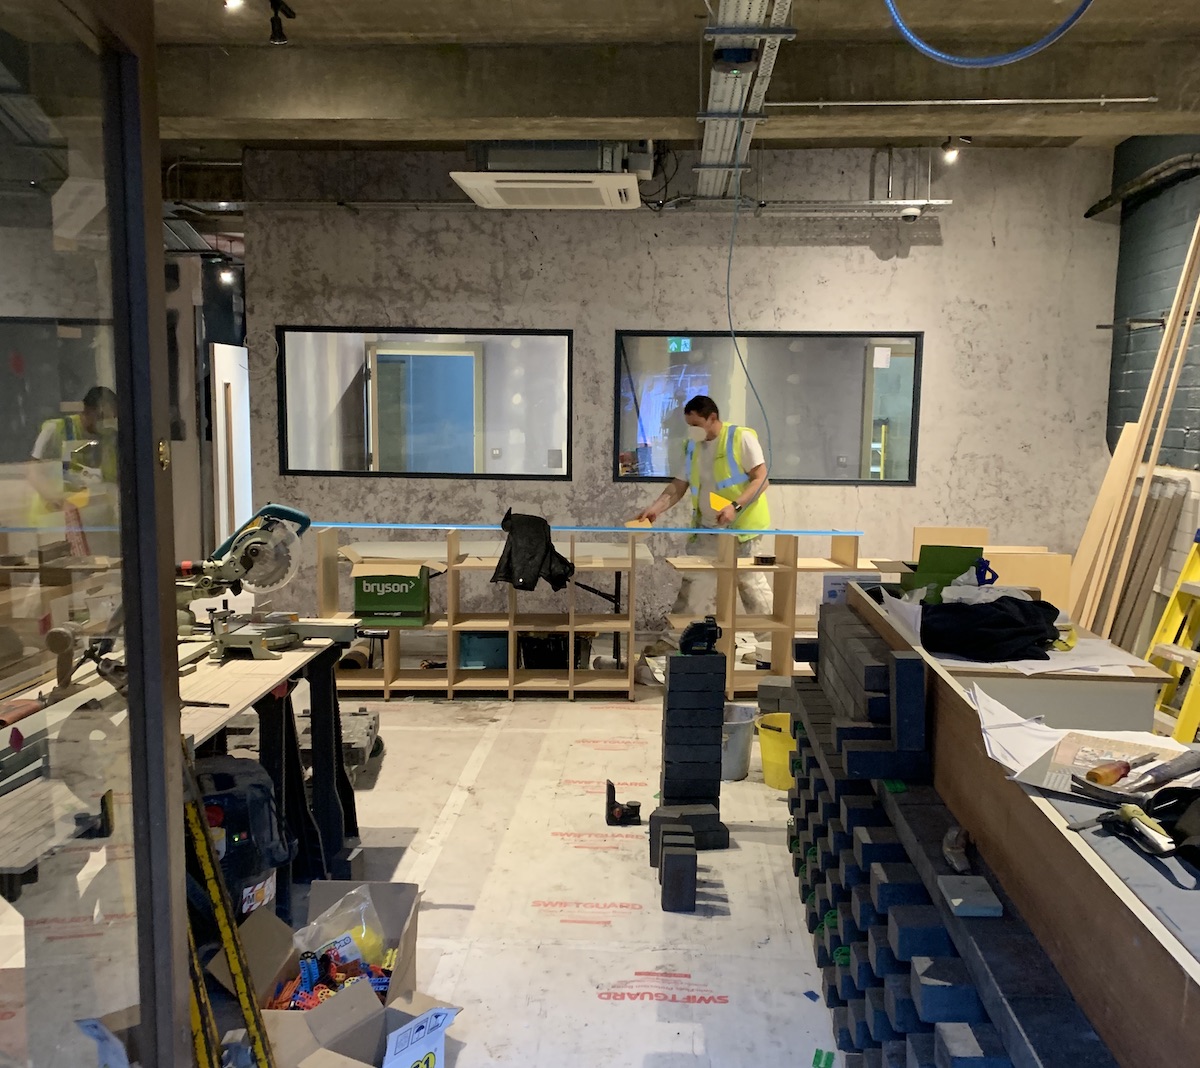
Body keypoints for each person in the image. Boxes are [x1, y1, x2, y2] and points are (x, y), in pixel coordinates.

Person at [634, 394, 774, 626]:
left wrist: (735, 506)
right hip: (709, 529)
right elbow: (679, 485)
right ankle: (674, 641)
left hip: (741, 530)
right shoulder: (693, 447)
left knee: (751, 587)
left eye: (696, 425)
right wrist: (656, 508)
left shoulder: (741, 438)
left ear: (712, 418)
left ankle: (770, 648)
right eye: (689, 426)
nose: (692, 431)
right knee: (693, 584)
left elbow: (761, 479)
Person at [28, 386, 118, 518]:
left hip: (93, 515)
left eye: (112, 417)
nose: (105, 423)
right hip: (53, 518)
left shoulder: (111, 439)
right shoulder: (54, 429)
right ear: (86, 410)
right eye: (100, 416)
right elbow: (33, 473)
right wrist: (57, 501)